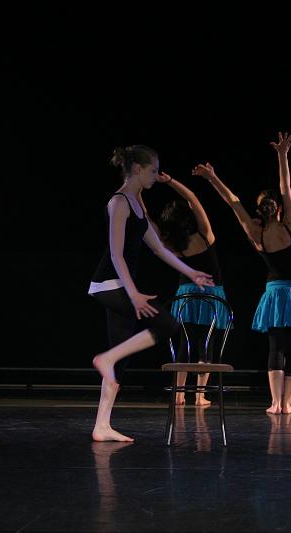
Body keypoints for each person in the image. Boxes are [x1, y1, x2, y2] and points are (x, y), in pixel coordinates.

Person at [90, 145, 214, 442]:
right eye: (153, 171)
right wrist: (133, 293)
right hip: (109, 284)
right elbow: (116, 254)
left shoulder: (137, 204)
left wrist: (191, 272)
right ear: (137, 169)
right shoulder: (119, 202)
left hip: (120, 285)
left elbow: (158, 248)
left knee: (120, 358)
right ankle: (106, 359)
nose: (156, 176)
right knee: (167, 324)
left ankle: (102, 425)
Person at [193, 132, 291, 414]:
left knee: (276, 347)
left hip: (275, 293)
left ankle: (275, 403)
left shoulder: (256, 233)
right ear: (278, 209)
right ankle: (287, 404)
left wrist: (212, 177)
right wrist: (282, 156)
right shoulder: (290, 226)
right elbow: (286, 188)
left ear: (260, 211)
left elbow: (233, 202)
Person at [154, 173, 230, 407]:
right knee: (206, 344)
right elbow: (193, 199)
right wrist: (170, 181)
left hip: (185, 294)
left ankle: (179, 394)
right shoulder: (205, 235)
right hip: (211, 294)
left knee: (184, 344)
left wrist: (137, 196)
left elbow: (150, 226)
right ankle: (199, 395)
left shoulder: (171, 245)